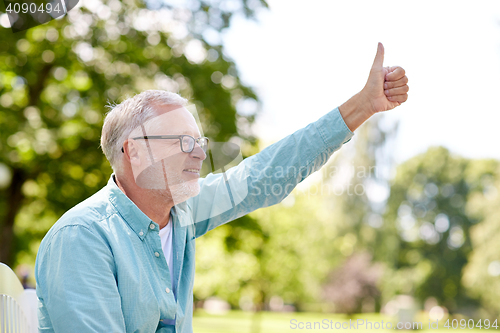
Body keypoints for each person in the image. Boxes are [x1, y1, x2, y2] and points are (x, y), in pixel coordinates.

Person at [34, 43, 408, 332]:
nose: (199, 154)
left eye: (200, 143)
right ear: (135, 151)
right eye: (183, 142)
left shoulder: (181, 212)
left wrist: (363, 106)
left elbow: (265, 174)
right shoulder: (82, 237)